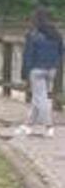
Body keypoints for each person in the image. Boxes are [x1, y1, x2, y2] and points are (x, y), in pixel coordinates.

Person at [18, 7, 64, 137]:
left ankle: (49, 126)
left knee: (40, 98)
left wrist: (25, 72)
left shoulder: (32, 34)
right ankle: (28, 125)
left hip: (36, 69)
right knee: (38, 97)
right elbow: (62, 51)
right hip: (51, 70)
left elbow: (28, 55)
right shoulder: (56, 34)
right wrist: (55, 63)